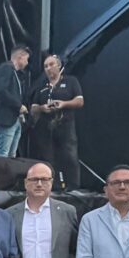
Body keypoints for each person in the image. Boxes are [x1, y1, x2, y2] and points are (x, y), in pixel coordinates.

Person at [29, 54, 84, 190]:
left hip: (65, 124)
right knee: (48, 157)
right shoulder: (42, 86)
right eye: (45, 66)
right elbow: (33, 108)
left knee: (69, 155)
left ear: (59, 66)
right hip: (46, 126)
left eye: (51, 64)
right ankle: (54, 185)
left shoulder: (71, 81)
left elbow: (79, 101)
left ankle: (73, 186)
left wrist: (63, 104)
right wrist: (42, 108)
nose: (48, 68)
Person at [0, 45, 31, 158]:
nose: (27, 62)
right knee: (3, 153)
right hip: (6, 119)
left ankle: (8, 175)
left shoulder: (16, 74)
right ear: (20, 57)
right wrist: (19, 106)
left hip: (15, 119)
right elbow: (1, 91)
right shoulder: (6, 67)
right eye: (26, 59)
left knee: (11, 155)